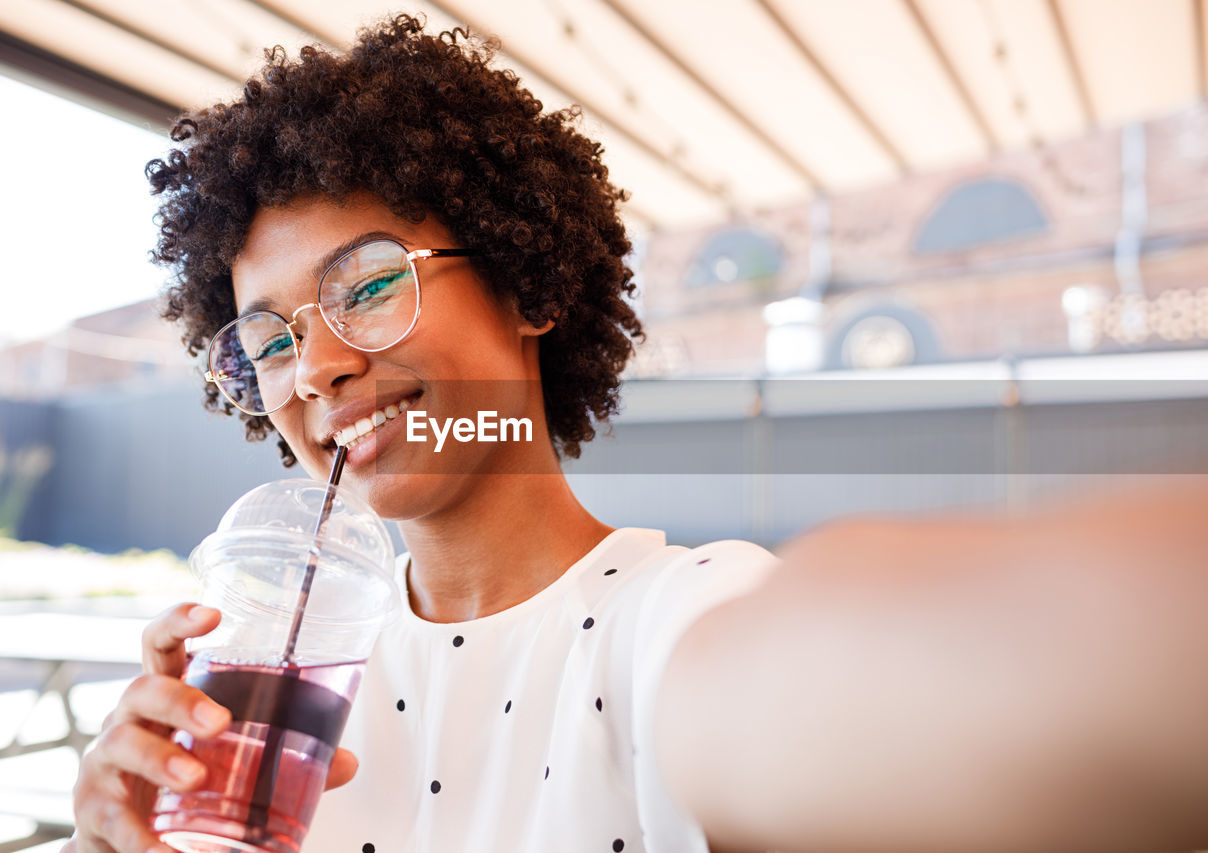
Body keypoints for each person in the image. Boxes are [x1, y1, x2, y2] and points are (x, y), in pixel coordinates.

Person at [66, 14, 1208, 853]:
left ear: (524, 287)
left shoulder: (673, 621)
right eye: (266, 341)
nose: (313, 365)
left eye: (366, 287)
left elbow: (817, 689)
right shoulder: (264, 709)